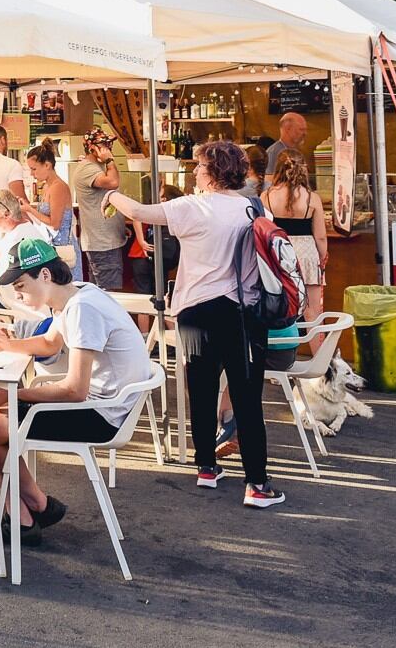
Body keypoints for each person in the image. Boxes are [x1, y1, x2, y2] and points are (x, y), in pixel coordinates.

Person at [106, 140, 284, 508]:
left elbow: (139, 210)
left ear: (212, 172)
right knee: (247, 397)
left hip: (194, 311)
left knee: (199, 390)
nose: (194, 173)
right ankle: (257, 484)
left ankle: (206, 466)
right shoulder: (254, 207)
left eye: (199, 167)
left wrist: (112, 194)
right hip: (242, 310)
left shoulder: (192, 206)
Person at [0, 236, 149, 543]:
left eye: (21, 286)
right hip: (102, 403)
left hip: (101, 414)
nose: (18, 294)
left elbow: (74, 390)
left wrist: (12, 394)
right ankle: (35, 508)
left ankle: (24, 519)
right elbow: (51, 343)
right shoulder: (78, 294)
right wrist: (6, 344)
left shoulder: (83, 309)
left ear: (45, 275)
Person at [264, 151, 328, 326]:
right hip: (306, 253)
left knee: (278, 306)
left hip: (278, 254)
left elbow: (262, 229)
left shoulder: (266, 196)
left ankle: (279, 351)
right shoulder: (312, 198)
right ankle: (320, 353)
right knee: (312, 311)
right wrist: (322, 258)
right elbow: (320, 236)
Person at [69, 128, 127, 289]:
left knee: (101, 291)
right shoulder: (88, 169)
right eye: (104, 145)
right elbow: (113, 183)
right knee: (110, 293)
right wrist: (109, 160)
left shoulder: (97, 167)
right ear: (92, 148)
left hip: (106, 240)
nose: (109, 148)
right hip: (102, 243)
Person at [22, 139, 80, 273]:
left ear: (47, 165)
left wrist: (30, 209)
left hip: (62, 249)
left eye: (34, 169)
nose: (32, 173)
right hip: (52, 247)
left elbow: (55, 223)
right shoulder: (48, 186)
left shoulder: (58, 187)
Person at [264, 112, 309, 183]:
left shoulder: (296, 151)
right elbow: (269, 181)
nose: (305, 133)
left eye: (305, 130)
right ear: (288, 129)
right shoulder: (273, 152)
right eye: (301, 129)